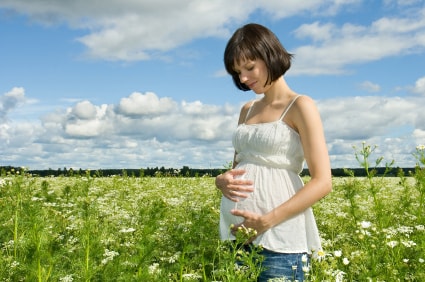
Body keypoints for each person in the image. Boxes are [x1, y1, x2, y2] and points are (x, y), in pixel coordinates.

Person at [215, 23, 332, 281]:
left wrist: (266, 221)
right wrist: (221, 180)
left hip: (279, 240)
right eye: (237, 72)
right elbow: (240, 165)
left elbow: (323, 182)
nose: (243, 78)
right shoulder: (247, 109)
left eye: (249, 67)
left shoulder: (300, 105)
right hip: (236, 237)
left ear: (270, 56)